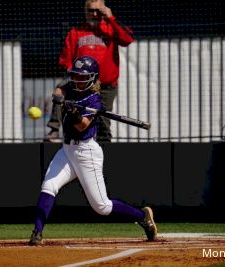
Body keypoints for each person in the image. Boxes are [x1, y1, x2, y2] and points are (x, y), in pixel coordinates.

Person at [29, 56, 157, 246]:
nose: (77, 80)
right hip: (66, 149)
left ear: (92, 78)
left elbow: (82, 126)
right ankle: (37, 233)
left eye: (83, 77)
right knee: (49, 186)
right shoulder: (71, 87)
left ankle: (142, 216)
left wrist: (74, 112)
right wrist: (59, 97)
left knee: (102, 207)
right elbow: (60, 89)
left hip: (85, 152)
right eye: (76, 76)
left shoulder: (94, 101)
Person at [44, 0, 134, 143]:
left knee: (103, 120)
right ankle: (54, 130)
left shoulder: (110, 29)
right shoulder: (76, 32)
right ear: (85, 12)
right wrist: (69, 72)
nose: (94, 14)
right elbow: (65, 58)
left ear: (104, 11)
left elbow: (128, 39)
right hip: (80, 82)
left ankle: (105, 146)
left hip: (105, 85)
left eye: (98, 11)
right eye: (90, 10)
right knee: (60, 91)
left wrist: (111, 18)